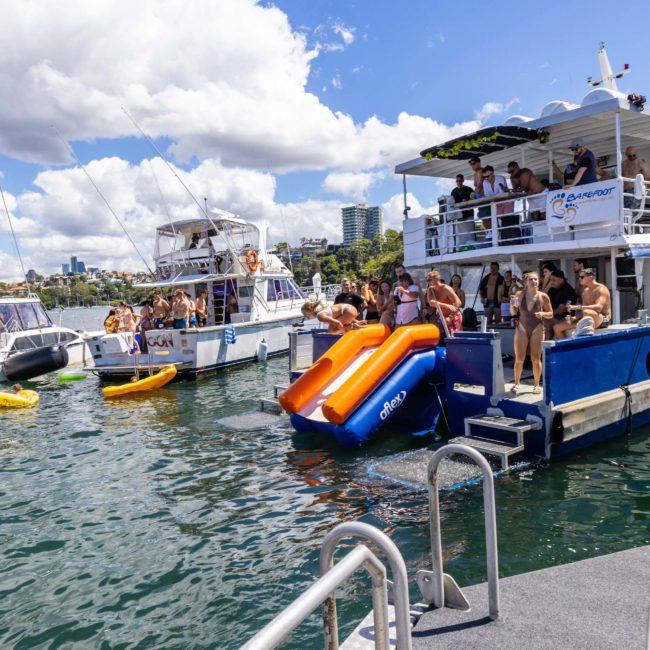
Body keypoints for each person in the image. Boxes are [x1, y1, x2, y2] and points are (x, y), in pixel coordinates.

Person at [510, 271, 553, 395]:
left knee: (536, 358)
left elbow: (550, 314)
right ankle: (517, 383)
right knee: (519, 358)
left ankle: (536, 385)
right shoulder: (519, 294)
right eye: (531, 280)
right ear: (526, 282)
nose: (533, 281)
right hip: (522, 327)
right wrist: (512, 306)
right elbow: (513, 313)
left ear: (539, 281)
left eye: (535, 279)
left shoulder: (543, 296)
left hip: (537, 328)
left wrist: (543, 314)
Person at [554, 268, 611, 338]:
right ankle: (565, 348)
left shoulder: (601, 289)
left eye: (582, 277)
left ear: (591, 277)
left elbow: (599, 307)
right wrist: (574, 318)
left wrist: (578, 307)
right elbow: (584, 311)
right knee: (557, 327)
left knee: (587, 312)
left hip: (603, 319)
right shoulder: (585, 291)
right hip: (587, 317)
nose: (579, 279)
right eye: (579, 277)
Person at [426, 271, 462, 336]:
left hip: (453, 316)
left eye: (429, 280)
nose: (428, 282)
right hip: (442, 317)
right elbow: (431, 303)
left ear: (436, 279)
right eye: (427, 280)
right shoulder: (430, 290)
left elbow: (458, 302)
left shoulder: (446, 289)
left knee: (454, 338)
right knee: (442, 339)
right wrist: (447, 306)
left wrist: (450, 317)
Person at [544, 270, 577, 339]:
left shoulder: (568, 290)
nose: (551, 282)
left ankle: (546, 348)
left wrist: (547, 315)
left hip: (565, 317)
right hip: (553, 316)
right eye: (550, 280)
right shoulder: (552, 289)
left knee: (546, 324)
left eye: (554, 280)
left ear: (561, 279)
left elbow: (561, 310)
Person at [301, 300, 365, 334]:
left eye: (305, 314)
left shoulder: (320, 316)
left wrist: (344, 332)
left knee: (331, 330)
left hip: (348, 311)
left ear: (310, 311)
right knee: (333, 327)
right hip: (351, 309)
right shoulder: (322, 309)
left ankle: (353, 326)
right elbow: (338, 316)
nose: (305, 317)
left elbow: (337, 323)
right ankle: (354, 325)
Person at [450, 174, 475, 247]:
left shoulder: (469, 189)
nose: (458, 182)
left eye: (460, 181)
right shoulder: (453, 191)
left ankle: (471, 246)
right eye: (457, 181)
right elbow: (451, 203)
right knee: (460, 234)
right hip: (459, 216)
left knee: (470, 233)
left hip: (468, 214)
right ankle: (462, 247)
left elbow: (474, 199)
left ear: (463, 180)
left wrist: (467, 201)